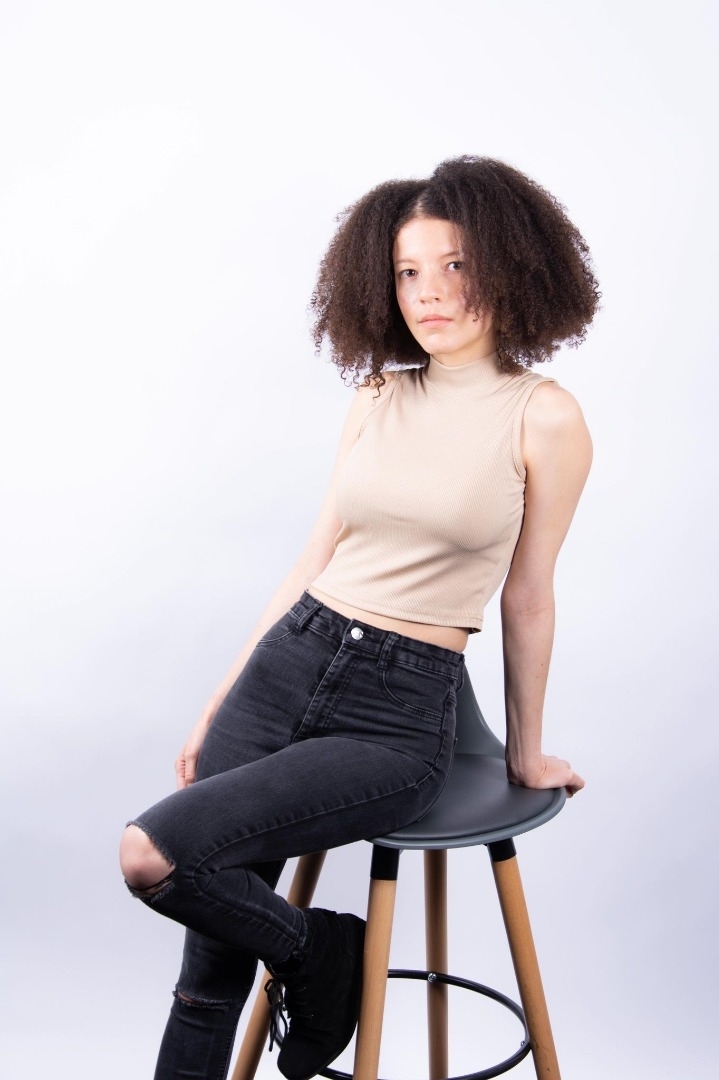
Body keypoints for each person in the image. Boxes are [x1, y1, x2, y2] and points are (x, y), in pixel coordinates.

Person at [120, 155, 598, 1080]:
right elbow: (313, 560)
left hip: (397, 710)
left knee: (153, 855)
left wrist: (526, 752)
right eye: (407, 272)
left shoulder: (543, 416)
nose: (429, 293)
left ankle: (320, 956)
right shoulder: (377, 394)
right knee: (205, 979)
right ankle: (318, 952)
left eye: (455, 265)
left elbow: (528, 593)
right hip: (288, 663)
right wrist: (221, 698)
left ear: (512, 264)